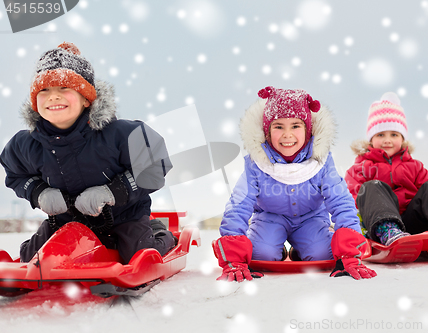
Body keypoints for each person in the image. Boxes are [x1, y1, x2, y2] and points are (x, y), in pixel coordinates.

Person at [0, 42, 176, 263]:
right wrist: (39, 192)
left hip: (123, 217)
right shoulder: (25, 144)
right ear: (35, 101)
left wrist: (112, 191)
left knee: (138, 254)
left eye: (64, 88)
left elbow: (154, 165)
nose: (53, 97)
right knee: (32, 258)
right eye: (44, 90)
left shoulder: (121, 134)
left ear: (86, 98)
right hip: (67, 220)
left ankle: (159, 232)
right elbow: (16, 175)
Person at [213, 86, 377, 282]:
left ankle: (303, 248)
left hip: (311, 218)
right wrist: (235, 258)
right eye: (279, 126)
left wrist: (350, 253)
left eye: (295, 126)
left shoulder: (321, 161)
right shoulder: (256, 163)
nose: (287, 135)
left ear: (307, 130)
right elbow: (239, 204)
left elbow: (340, 200)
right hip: (270, 218)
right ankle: (276, 247)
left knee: (323, 255)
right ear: (267, 131)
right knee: (261, 255)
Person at [345, 92, 428, 246]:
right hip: (378, 224)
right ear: (371, 140)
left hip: (413, 224)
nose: (387, 140)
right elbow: (349, 200)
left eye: (394, 134)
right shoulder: (361, 168)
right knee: (371, 187)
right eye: (380, 135)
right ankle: (388, 230)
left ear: (402, 138)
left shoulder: (415, 167)